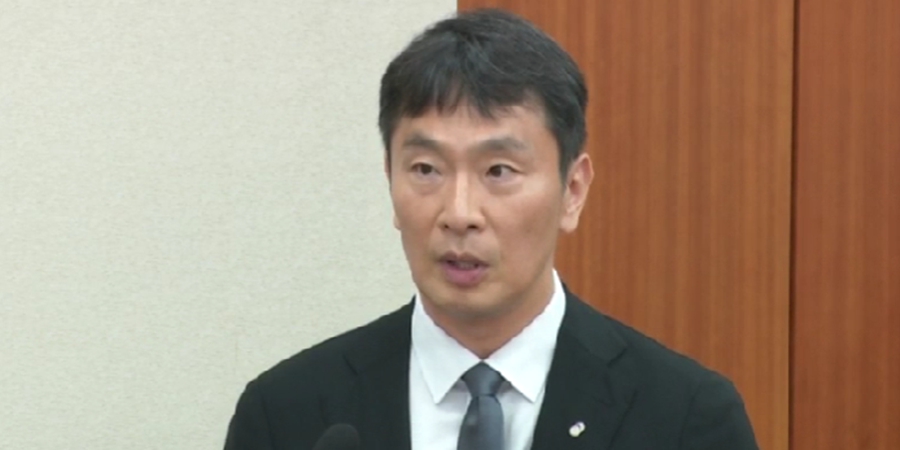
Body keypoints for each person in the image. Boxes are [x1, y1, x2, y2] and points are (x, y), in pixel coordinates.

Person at [224, 8, 758, 450]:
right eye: (426, 170)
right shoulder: (287, 416)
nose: (459, 213)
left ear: (573, 190)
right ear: (390, 181)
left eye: (498, 171)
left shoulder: (686, 418)